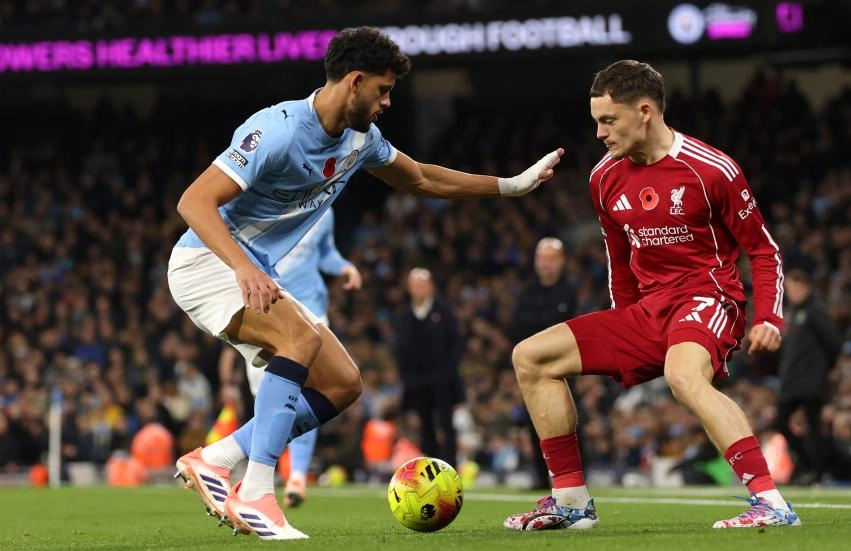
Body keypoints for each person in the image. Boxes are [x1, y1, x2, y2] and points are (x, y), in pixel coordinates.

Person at [167, 26, 563, 540]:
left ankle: (218, 459)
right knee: (301, 339)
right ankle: (258, 492)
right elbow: (193, 202)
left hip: (250, 268)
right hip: (207, 263)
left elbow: (421, 178)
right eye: (382, 89)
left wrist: (511, 186)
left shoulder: (361, 140)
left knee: (341, 383)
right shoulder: (278, 129)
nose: (387, 102)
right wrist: (244, 268)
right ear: (354, 82)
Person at [504, 59, 798, 531]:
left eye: (608, 120)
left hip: (709, 297)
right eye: (596, 121)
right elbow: (620, 264)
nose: (599, 133)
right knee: (531, 357)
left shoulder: (711, 169)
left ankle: (771, 503)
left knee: (682, 375)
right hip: (648, 311)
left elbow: (764, 252)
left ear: (644, 111)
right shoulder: (604, 179)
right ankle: (572, 503)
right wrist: (624, 332)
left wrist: (769, 318)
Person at [216, 206, 362, 508]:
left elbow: (326, 253)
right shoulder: (270, 200)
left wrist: (344, 267)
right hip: (269, 309)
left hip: (313, 311)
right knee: (272, 402)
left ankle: (295, 475)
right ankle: (255, 473)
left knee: (312, 391)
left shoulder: (326, 209)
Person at [508, 237, 577, 489]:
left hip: (566, 367)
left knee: (570, 421)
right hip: (535, 369)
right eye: (541, 258)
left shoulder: (570, 292)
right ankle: (541, 476)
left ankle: (576, 476)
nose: (545, 264)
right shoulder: (528, 292)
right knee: (535, 423)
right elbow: (514, 327)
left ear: (561, 262)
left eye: (550, 259)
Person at [774, 268, 840, 486]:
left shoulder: (814, 311)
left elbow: (833, 343)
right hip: (792, 381)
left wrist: (821, 369)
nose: (793, 292)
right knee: (780, 423)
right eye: (790, 288)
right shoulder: (792, 313)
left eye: (797, 287)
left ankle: (817, 473)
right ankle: (808, 465)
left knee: (813, 426)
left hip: (811, 380)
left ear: (807, 287)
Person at [393, 268, 463, 466]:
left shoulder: (444, 312)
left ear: (431, 287)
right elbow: (400, 349)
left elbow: (455, 344)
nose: (419, 289)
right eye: (415, 285)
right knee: (425, 426)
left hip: (443, 380)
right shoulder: (404, 315)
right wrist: (406, 377)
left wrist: (449, 373)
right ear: (409, 288)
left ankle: (451, 466)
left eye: (423, 284)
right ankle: (431, 468)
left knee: (447, 425)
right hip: (417, 381)